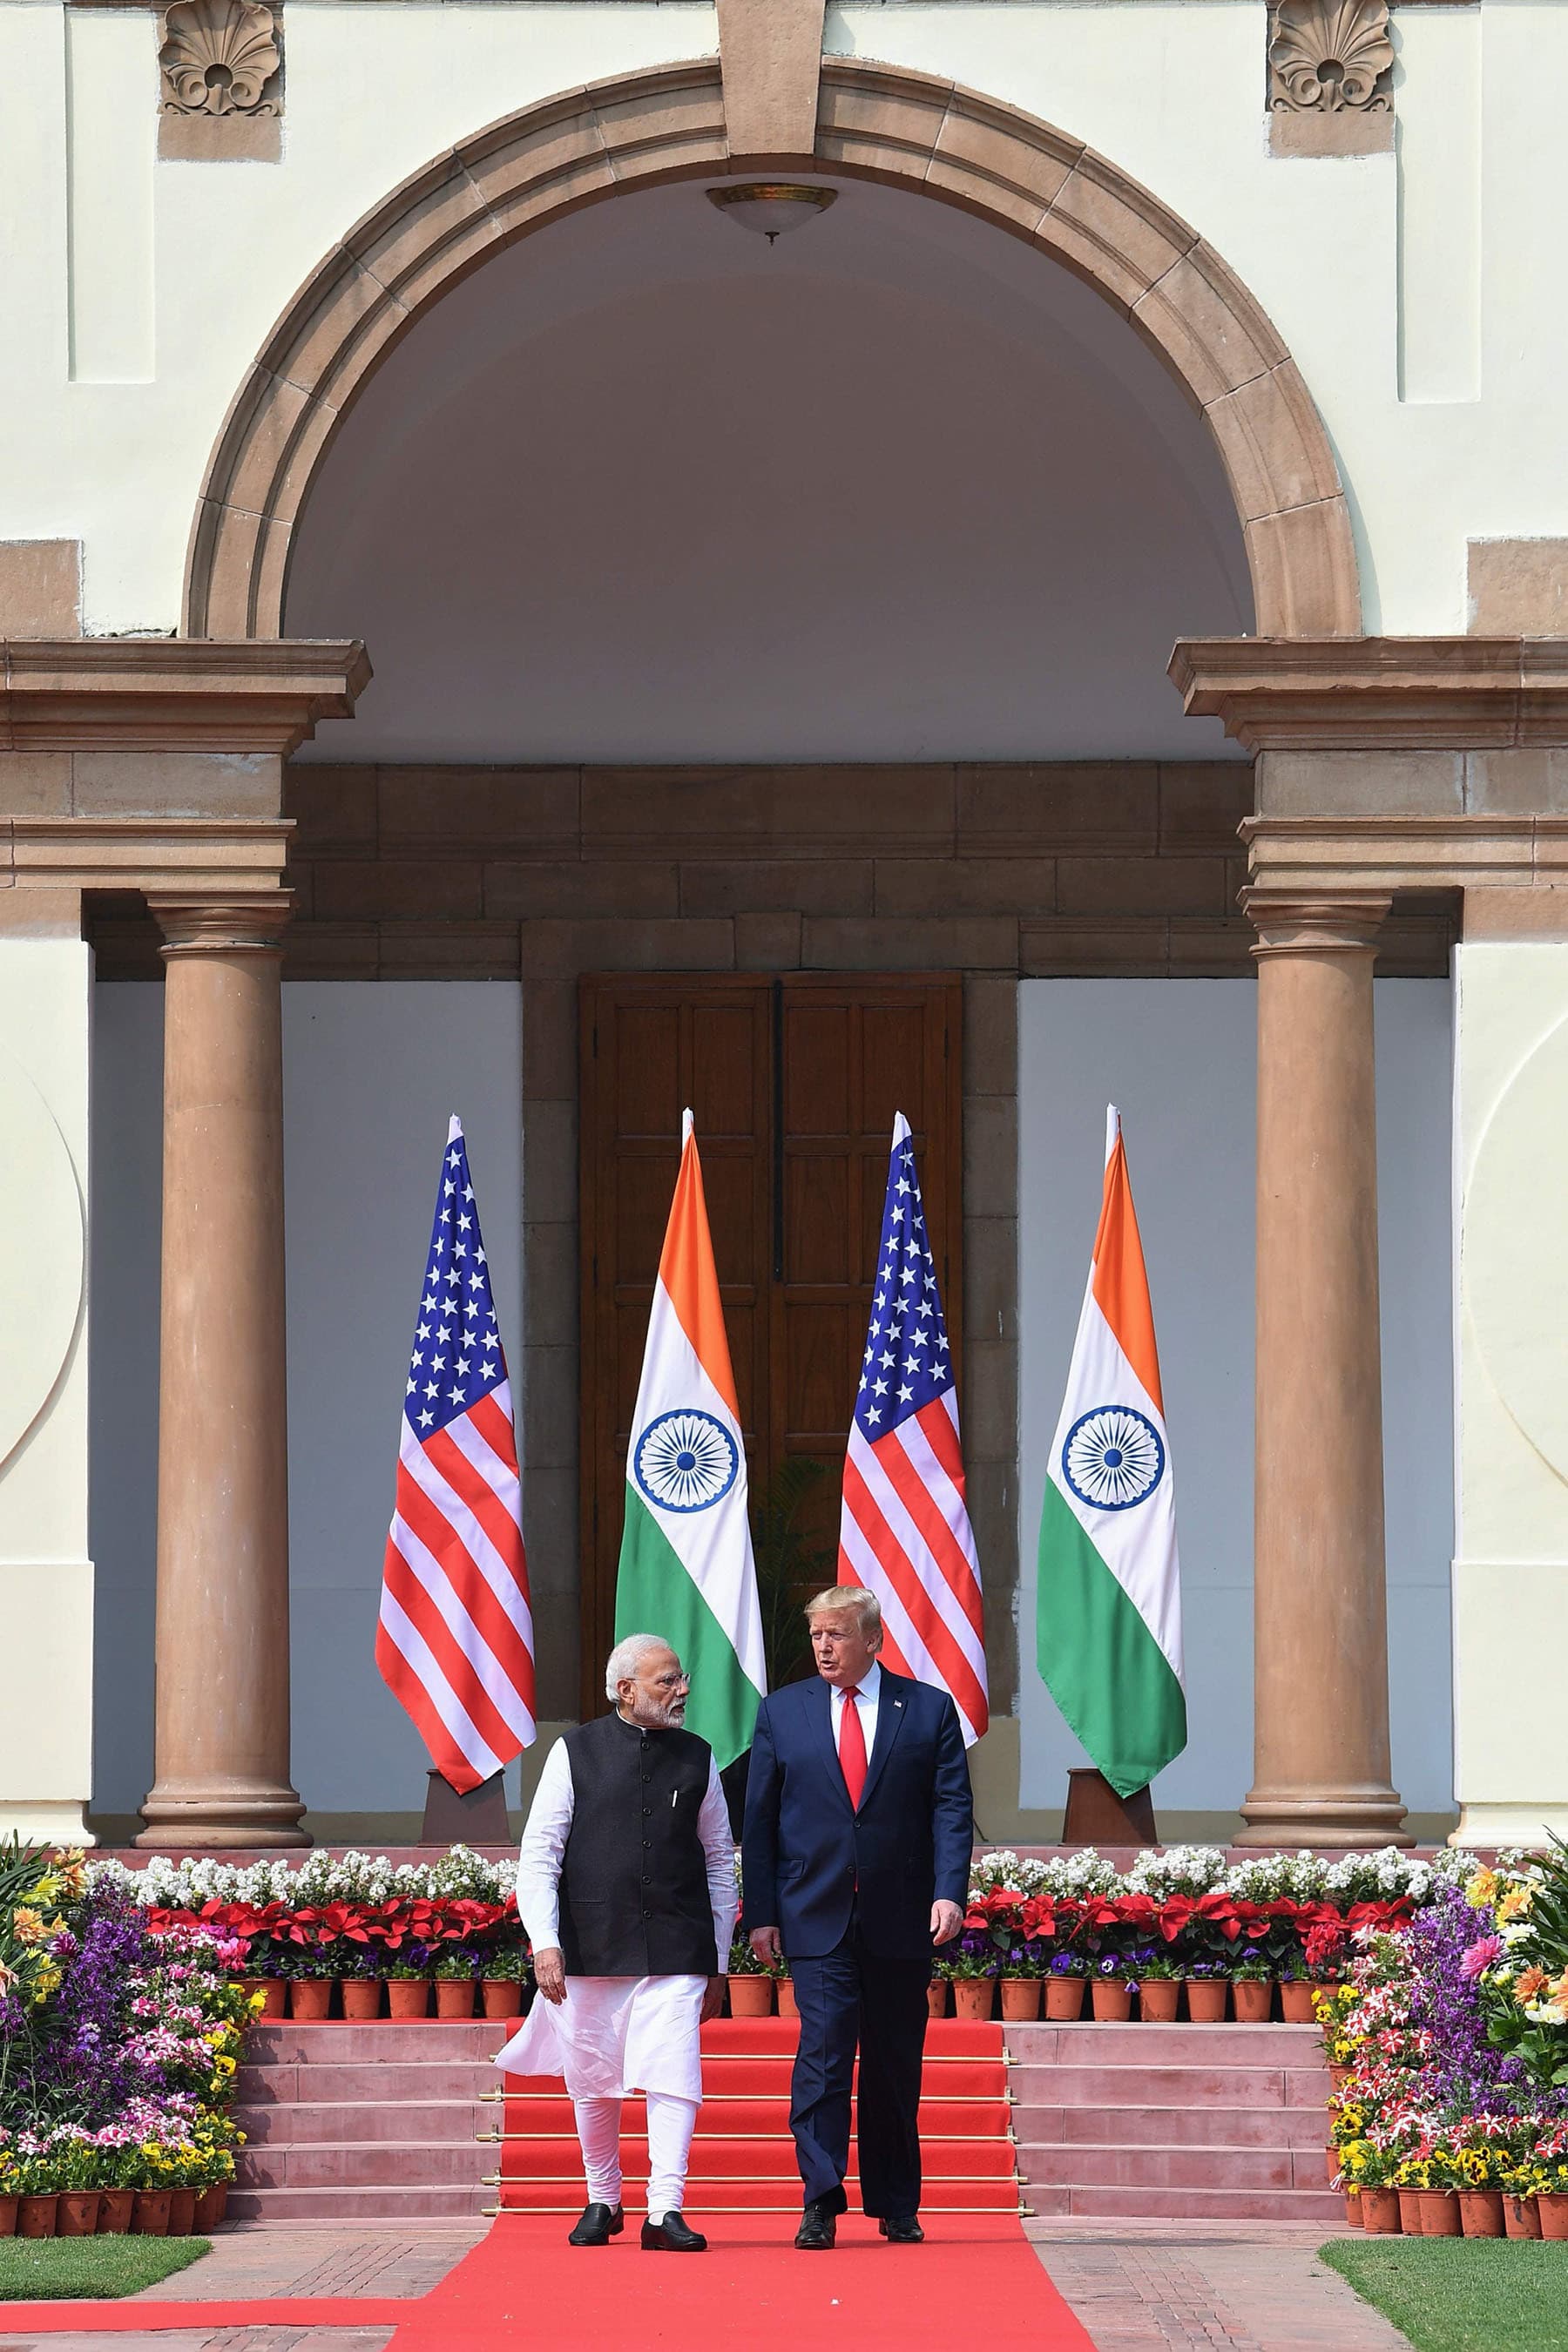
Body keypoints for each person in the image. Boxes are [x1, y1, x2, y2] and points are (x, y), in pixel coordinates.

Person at [740, 1585, 972, 2249]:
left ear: (872, 1639)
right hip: (815, 1915)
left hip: (902, 1917)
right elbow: (759, 1823)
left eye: (837, 1634)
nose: (823, 1646)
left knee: (895, 2064)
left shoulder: (927, 1710)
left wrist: (949, 1891)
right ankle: (820, 2198)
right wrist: (762, 1913)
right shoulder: (783, 1712)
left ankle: (897, 2203)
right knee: (823, 2055)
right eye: (816, 1635)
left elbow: (950, 1808)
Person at [500, 1634, 736, 2251]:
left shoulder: (699, 1756)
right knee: (593, 2076)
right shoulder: (574, 1751)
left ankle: (665, 2209)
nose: (681, 1690)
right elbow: (540, 1852)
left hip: (678, 1943)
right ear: (625, 1689)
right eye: (667, 1680)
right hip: (591, 1943)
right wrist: (544, 1942)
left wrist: (719, 1957)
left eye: (681, 1678)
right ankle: (603, 2196)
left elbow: (718, 1861)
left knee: (674, 2073)